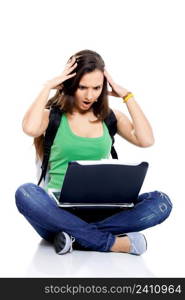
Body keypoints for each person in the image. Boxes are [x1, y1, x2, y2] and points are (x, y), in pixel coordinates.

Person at [15, 49, 172, 255]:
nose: (90, 95)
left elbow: (146, 140)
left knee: (161, 202)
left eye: (97, 88)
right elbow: (29, 128)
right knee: (25, 193)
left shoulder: (110, 118)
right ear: (70, 85)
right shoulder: (52, 117)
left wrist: (127, 95)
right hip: (56, 213)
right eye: (82, 87)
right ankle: (112, 243)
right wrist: (47, 87)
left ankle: (76, 238)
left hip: (103, 211)